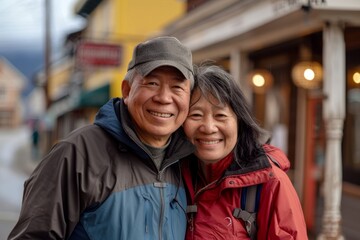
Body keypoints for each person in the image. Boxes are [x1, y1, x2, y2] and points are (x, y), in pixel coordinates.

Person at [8, 36, 195, 240]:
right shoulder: (78, 154)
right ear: (126, 90)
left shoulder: (189, 162)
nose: (164, 98)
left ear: (189, 97)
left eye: (177, 87)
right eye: (152, 83)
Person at [181, 64, 308, 239]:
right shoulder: (175, 176)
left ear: (240, 122)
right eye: (195, 115)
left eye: (221, 116)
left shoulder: (270, 183)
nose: (209, 127)